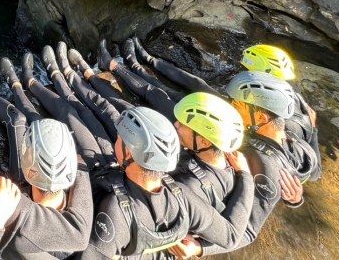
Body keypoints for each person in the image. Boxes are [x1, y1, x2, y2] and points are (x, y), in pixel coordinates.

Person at [132, 39, 321, 180]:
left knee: (175, 103)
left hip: (231, 131)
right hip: (247, 123)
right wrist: (313, 132)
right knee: (198, 86)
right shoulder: (287, 124)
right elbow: (312, 169)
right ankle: (148, 60)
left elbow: (311, 173)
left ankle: (132, 67)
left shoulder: (268, 154)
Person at [80, 107, 255, 259]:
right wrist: (245, 176)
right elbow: (231, 236)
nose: (116, 140)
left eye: (119, 139)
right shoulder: (184, 196)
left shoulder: (115, 211)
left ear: (129, 154)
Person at [177, 71, 310, 257]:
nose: (231, 105)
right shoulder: (268, 131)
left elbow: (247, 231)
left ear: (262, 118)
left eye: (239, 104)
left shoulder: (267, 169)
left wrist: (199, 248)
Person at [0, 67, 94, 258]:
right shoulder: (78, 230)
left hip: (13, 212)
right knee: (16, 120)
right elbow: (80, 232)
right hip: (30, 194)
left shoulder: (17, 218)